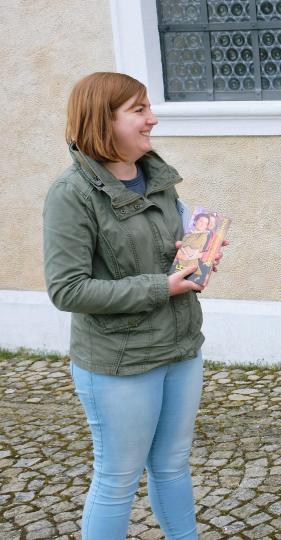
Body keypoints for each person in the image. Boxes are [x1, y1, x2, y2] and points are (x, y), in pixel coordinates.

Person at [43, 72, 224, 539]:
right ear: (105, 120)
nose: (153, 119)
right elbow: (68, 290)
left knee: (172, 466)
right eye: (139, 110)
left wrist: (197, 255)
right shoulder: (72, 194)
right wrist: (162, 287)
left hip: (180, 348)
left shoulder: (156, 177)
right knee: (118, 479)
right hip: (119, 363)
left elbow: (165, 250)